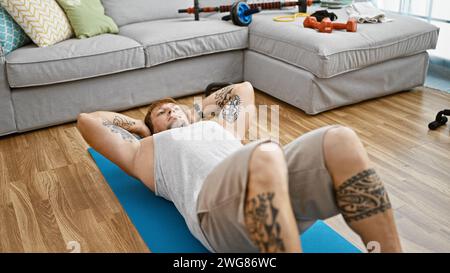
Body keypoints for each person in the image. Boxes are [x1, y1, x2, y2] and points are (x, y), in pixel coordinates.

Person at [77, 81, 402, 253]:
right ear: (154, 128)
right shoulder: (145, 152)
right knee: (266, 154)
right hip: (217, 216)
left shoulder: (223, 126)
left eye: (173, 107)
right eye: (162, 113)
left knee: (340, 139)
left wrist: (194, 111)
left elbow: (243, 89)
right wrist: (139, 125)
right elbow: (89, 121)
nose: (171, 111)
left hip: (272, 190)